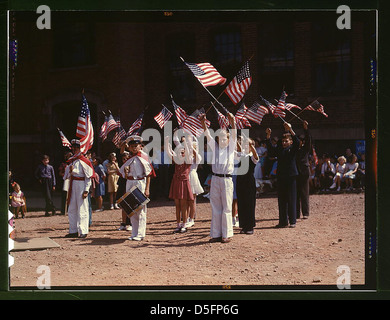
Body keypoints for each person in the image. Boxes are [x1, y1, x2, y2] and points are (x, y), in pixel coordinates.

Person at [200, 112, 237, 243]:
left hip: (227, 179)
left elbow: (234, 135)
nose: (222, 140)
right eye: (219, 139)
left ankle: (226, 234)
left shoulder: (230, 148)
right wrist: (203, 123)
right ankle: (216, 234)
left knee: (227, 206)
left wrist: (232, 122)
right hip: (215, 179)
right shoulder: (214, 148)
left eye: (224, 139)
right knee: (215, 206)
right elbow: (207, 135)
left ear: (228, 140)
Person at [119, 135, 154, 241]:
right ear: (129, 147)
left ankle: (141, 233)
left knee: (141, 209)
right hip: (129, 182)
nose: (134, 148)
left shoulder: (143, 157)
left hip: (140, 182)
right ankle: (134, 233)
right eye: (131, 146)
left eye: (136, 145)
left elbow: (149, 174)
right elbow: (122, 173)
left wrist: (147, 189)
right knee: (132, 209)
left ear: (140, 146)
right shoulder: (129, 158)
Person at [265, 122, 299, 228]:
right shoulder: (279, 149)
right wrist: (268, 136)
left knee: (291, 198)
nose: (284, 143)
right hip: (281, 176)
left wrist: (290, 129)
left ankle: (292, 220)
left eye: (286, 141)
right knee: (282, 199)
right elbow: (271, 150)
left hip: (291, 176)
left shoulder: (293, 149)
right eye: (283, 141)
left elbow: (297, 142)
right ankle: (283, 221)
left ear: (290, 142)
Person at [63, 139, 95, 238]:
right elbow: (66, 176)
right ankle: (73, 230)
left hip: (81, 184)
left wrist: (86, 190)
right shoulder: (71, 160)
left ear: (80, 148)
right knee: (72, 208)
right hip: (73, 185)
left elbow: (88, 176)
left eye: (76, 148)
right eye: (73, 148)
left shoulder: (84, 161)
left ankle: (83, 230)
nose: (74, 150)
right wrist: (69, 171)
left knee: (82, 208)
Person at [165, 134, 194, 233]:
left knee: (184, 205)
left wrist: (185, 142)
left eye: (183, 152)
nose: (181, 154)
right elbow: (169, 152)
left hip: (184, 183)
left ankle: (184, 224)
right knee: (177, 205)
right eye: (179, 152)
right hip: (176, 183)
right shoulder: (176, 161)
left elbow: (189, 152)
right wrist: (166, 142)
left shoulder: (188, 161)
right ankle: (178, 224)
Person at [236, 136, 259, 234]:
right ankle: (244, 226)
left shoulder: (252, 157)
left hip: (249, 182)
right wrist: (238, 140)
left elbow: (256, 156)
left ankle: (250, 226)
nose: (245, 147)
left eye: (248, 145)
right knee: (241, 203)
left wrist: (250, 145)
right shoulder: (241, 155)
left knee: (250, 204)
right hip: (240, 181)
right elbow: (237, 147)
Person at [295, 120, 312, 219]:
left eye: (299, 141)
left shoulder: (305, 148)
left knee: (304, 193)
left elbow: (309, 139)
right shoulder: (294, 149)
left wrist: (306, 129)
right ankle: (296, 213)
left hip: (304, 172)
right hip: (295, 172)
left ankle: (305, 213)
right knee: (296, 194)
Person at [187, 138, 204, 228]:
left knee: (192, 199)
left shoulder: (197, 157)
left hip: (192, 176)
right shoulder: (186, 156)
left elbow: (196, 156)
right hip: (185, 177)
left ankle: (192, 218)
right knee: (185, 199)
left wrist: (191, 145)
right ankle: (185, 218)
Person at [117, 151, 132, 231]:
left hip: (130, 186)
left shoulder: (132, 166)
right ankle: (123, 223)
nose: (125, 160)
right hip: (123, 186)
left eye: (127, 158)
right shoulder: (122, 166)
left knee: (130, 205)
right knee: (123, 205)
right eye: (123, 159)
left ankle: (129, 223)